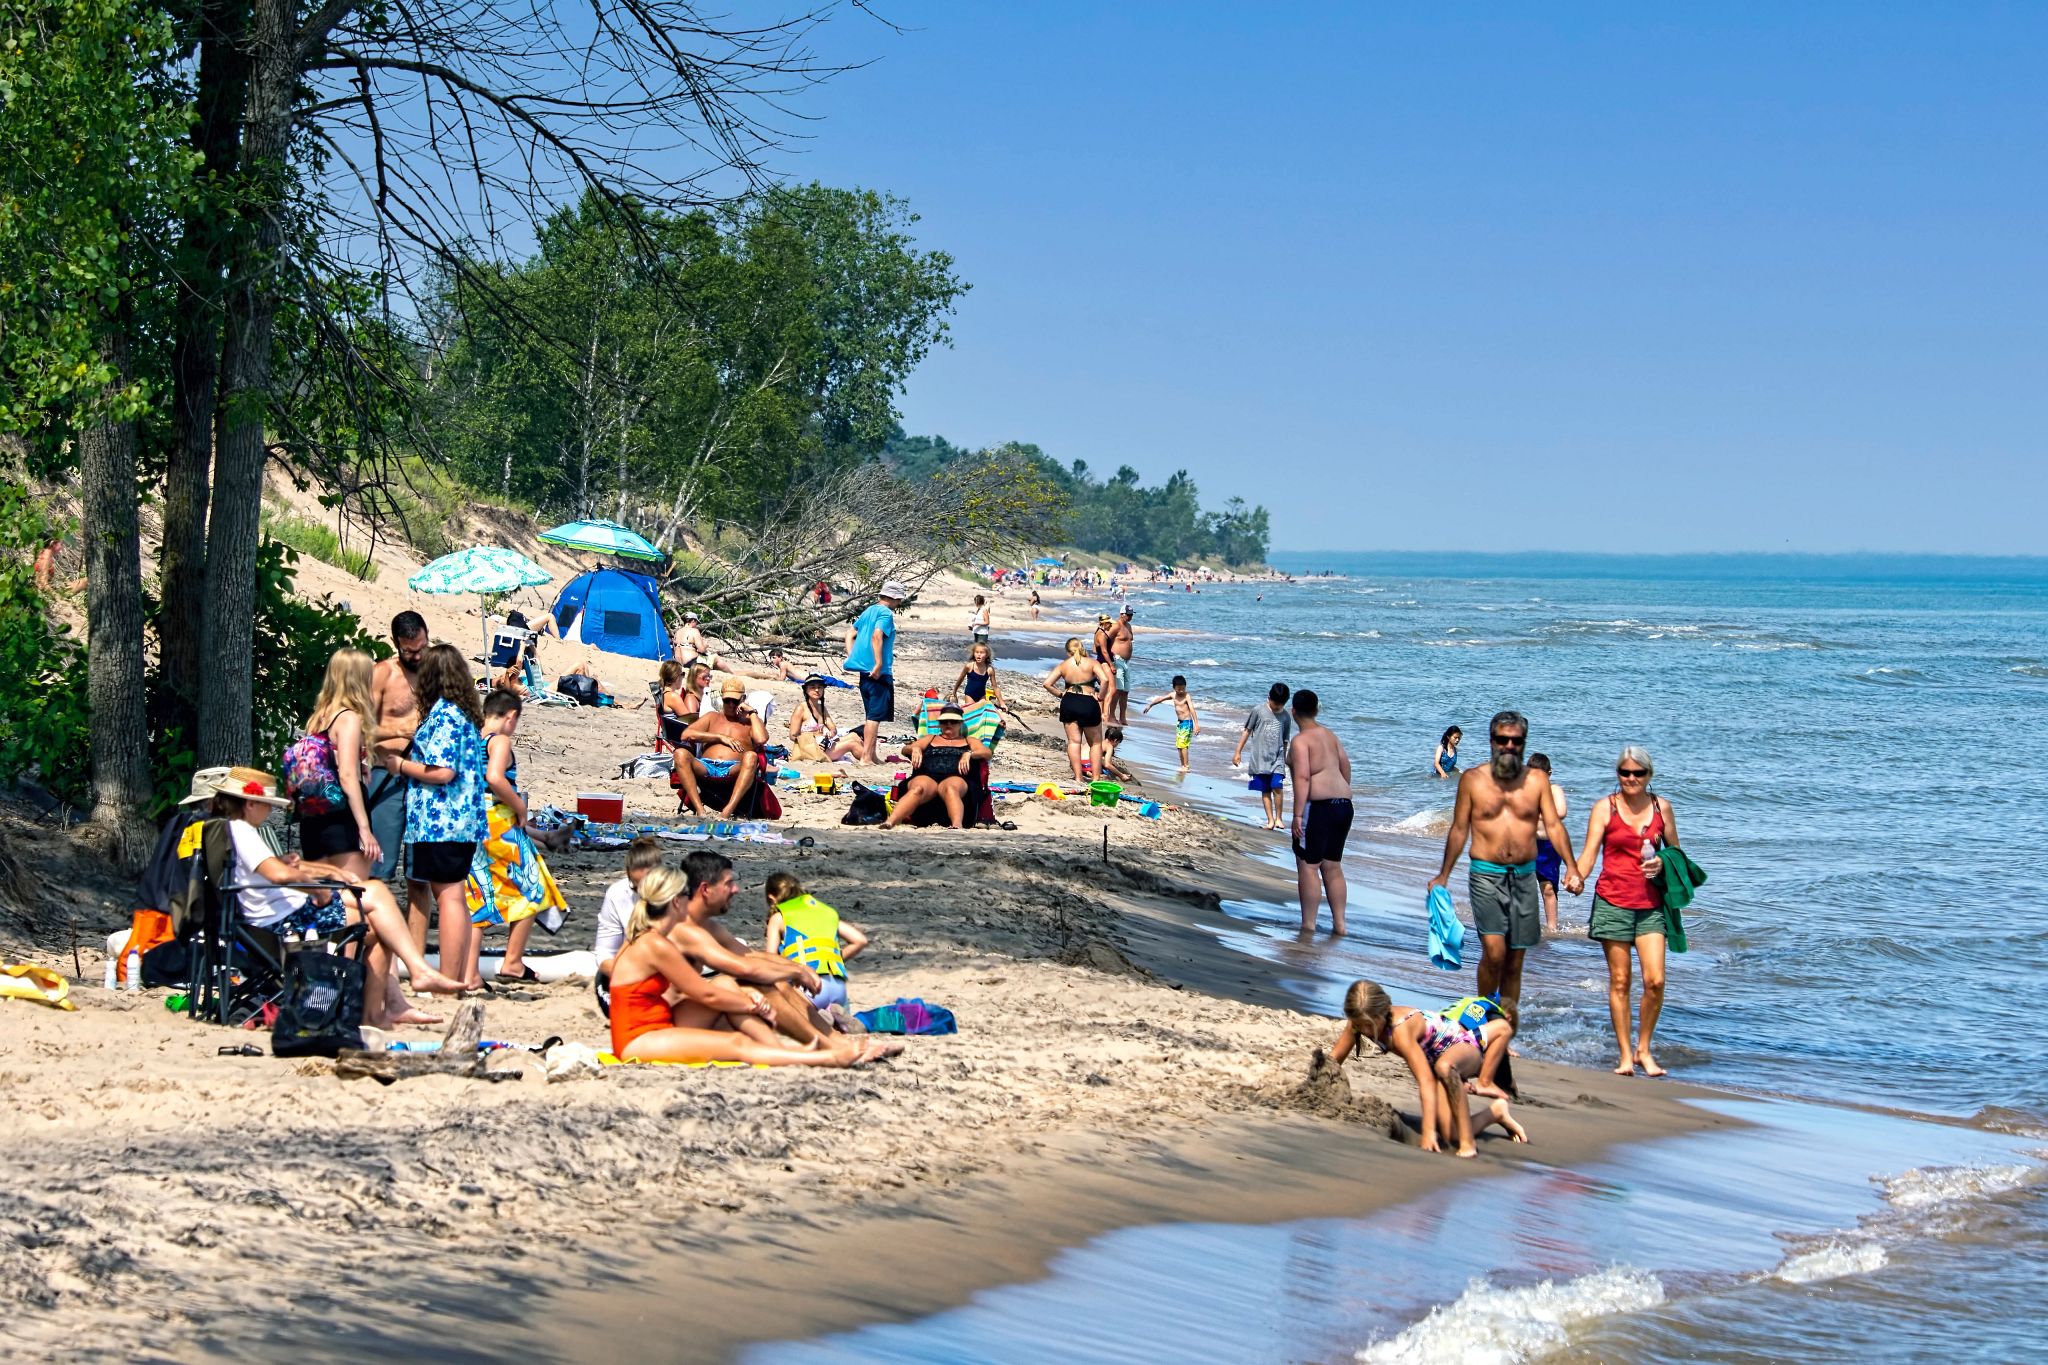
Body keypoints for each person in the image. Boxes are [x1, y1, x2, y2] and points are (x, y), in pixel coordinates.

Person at [199, 767, 463, 1022]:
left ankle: (382, 1011)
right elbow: (277, 875)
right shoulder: (241, 830)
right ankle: (415, 973)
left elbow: (279, 867)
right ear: (250, 804)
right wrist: (315, 886)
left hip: (273, 918)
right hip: (284, 922)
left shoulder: (228, 831)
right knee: (377, 892)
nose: (269, 811)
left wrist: (318, 871)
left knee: (378, 926)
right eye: (267, 804)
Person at [608, 866, 893, 1067]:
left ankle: (796, 1048)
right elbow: (705, 992)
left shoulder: (654, 935)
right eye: (686, 895)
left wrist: (752, 995)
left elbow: (747, 960)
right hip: (638, 1038)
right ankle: (824, 1057)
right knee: (737, 1043)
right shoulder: (654, 943)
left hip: (660, 1021)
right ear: (675, 902)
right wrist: (752, 1003)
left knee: (734, 989)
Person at [1427, 710, 1582, 1019]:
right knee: (1495, 952)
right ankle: (1485, 1014)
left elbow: (1553, 826)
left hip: (1524, 876)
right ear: (1491, 741)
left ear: (1523, 743)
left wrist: (1573, 867)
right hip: (1486, 873)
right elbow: (1459, 829)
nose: (1509, 746)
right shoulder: (1473, 779)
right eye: (1502, 740)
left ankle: (1503, 1027)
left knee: (1515, 959)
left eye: (1516, 741)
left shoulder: (1536, 781)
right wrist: (1443, 874)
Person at [383, 643, 490, 993]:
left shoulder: (444, 716)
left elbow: (442, 771)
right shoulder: (463, 714)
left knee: (448, 898)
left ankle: (447, 976)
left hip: (442, 820)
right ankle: (454, 975)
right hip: (459, 821)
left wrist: (401, 765)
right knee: (453, 896)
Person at [1570, 746, 1681, 1077]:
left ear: (1649, 775)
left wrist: (1664, 861)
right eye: (1625, 773)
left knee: (1655, 981)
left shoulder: (1662, 808)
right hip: (1612, 901)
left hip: (1651, 907)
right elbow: (1590, 853)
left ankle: (1644, 1049)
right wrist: (1577, 876)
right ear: (1618, 774)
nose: (1631, 779)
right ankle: (1624, 1056)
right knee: (1620, 981)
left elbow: (1677, 852)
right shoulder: (1605, 808)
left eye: (1638, 773)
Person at [1327, 981, 1527, 1158]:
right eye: (1361, 1026)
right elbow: (1334, 1060)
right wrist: (1317, 1086)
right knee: (1451, 1134)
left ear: (1384, 1011)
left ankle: (1469, 1145)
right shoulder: (1358, 1023)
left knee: (1444, 1066)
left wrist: (1429, 1131)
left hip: (1464, 1047)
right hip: (1436, 1064)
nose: (1367, 1031)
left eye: (1371, 1025)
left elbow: (1425, 1081)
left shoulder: (1400, 1029)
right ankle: (1496, 1112)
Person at [466, 689, 568, 984]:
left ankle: (470, 971)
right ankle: (512, 962)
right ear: (510, 717)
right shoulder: (499, 741)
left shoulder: (472, 738)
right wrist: (519, 806)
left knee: (480, 898)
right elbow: (495, 777)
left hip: (472, 821)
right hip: (497, 819)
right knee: (534, 888)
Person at [368, 612, 432, 939]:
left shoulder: (435, 672)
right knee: (379, 868)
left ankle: (414, 951)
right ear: (396, 645)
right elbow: (357, 725)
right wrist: (400, 730)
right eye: (410, 651)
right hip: (386, 776)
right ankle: (379, 944)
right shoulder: (382, 674)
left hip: (425, 781)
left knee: (420, 874)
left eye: (422, 647)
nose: (417, 656)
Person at [296, 647, 381, 877]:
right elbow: (346, 775)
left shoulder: (318, 717)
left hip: (314, 817)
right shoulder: (348, 719)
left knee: (327, 894)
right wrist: (364, 828)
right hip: (342, 818)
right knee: (353, 893)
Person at [1286, 689, 1354, 935]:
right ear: (1316, 710)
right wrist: (1342, 791)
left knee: (1308, 865)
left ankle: (1309, 924)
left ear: (1293, 712)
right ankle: (1341, 925)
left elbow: (1302, 777)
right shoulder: (1330, 735)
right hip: (1343, 806)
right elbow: (1346, 767)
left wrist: (1297, 815)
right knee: (1333, 866)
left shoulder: (1301, 741)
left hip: (1318, 807)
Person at [763, 871, 868, 1016]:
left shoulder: (779, 918)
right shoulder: (825, 911)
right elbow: (860, 940)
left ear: (772, 898)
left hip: (808, 988)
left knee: (778, 1002)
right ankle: (834, 1016)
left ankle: (818, 1018)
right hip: (838, 988)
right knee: (839, 1012)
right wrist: (832, 958)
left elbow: (770, 960)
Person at [883, 703, 990, 829]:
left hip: (959, 778)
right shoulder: (930, 738)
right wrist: (915, 748)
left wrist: (969, 754)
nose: (948, 724)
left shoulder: (969, 741)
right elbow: (905, 749)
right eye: (945, 721)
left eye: (953, 721)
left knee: (951, 787)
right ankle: (890, 822)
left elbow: (987, 753)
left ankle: (956, 825)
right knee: (918, 788)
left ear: (960, 723)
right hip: (928, 776)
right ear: (940, 723)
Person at [675, 676, 767, 817]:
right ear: (721, 699)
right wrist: (719, 737)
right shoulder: (712, 717)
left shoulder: (750, 722)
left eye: (735, 701)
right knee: (680, 754)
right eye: (727, 700)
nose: (731, 704)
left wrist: (753, 713)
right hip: (705, 766)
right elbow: (686, 734)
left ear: (743, 700)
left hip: (734, 768)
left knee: (751, 756)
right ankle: (700, 810)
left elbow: (761, 739)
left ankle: (727, 811)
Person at [840, 581, 905, 764]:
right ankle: (866, 757)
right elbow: (877, 636)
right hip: (879, 673)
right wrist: (878, 664)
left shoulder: (869, 610)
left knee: (871, 715)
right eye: (899, 599)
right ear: (893, 598)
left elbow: (850, 633)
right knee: (875, 717)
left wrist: (851, 656)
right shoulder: (885, 613)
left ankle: (872, 755)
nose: (899, 602)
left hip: (863, 672)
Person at [593, 835, 668, 975]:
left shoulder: (675, 895)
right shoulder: (617, 893)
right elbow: (605, 952)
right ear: (628, 876)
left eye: (650, 885)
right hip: (628, 970)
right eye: (637, 887)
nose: (644, 892)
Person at [1042, 637, 1111, 785]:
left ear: (1068, 652)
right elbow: (1105, 680)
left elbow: (1047, 684)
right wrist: (1100, 696)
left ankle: (1078, 777)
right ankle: (1096, 779)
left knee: (1074, 742)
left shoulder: (1064, 665)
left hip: (1069, 702)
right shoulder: (1092, 663)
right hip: (1088, 703)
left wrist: (1060, 694)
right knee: (1095, 744)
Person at [1232, 683, 1294, 831]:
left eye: (1281, 704)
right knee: (1265, 790)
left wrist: (1285, 759)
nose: (1278, 706)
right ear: (1269, 698)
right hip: (1259, 758)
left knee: (1277, 786)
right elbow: (1247, 731)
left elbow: (1285, 739)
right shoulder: (1258, 711)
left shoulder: (1286, 716)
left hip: (1277, 758)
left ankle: (1279, 818)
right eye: (1275, 703)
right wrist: (1237, 752)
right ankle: (1270, 820)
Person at [1528, 753, 1570, 933]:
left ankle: (1552, 928)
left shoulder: (1554, 790)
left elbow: (1560, 812)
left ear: (1549, 773)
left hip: (1548, 847)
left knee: (1548, 888)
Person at [1141, 675, 1200, 774]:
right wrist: (1150, 705)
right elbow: (1161, 699)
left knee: (1183, 745)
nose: (1181, 691)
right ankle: (1182, 765)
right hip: (1180, 723)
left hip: (1187, 723)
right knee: (1179, 745)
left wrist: (1196, 724)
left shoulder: (1187, 696)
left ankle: (1186, 766)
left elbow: (1192, 710)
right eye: (1179, 689)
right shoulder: (1173, 695)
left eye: (1183, 689)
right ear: (1174, 688)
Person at [951, 641, 1001, 709]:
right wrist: (954, 692)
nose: (979, 654)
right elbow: (960, 680)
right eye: (977, 652)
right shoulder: (969, 666)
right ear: (974, 654)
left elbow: (995, 687)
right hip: (970, 695)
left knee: (982, 712)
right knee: (971, 710)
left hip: (982, 695)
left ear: (986, 655)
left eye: (982, 652)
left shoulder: (989, 670)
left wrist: (1002, 703)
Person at [1108, 605, 1136, 726]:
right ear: (1121, 614)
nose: (1130, 617)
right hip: (1117, 660)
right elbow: (1105, 640)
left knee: (1125, 691)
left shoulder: (1128, 626)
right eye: (1128, 614)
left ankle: (1122, 717)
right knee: (1117, 690)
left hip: (1126, 662)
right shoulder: (1116, 626)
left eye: (1131, 615)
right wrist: (1109, 660)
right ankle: (1111, 715)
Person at [655, 660, 690, 750]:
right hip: (678, 741)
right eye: (682, 674)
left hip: (669, 737)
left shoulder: (662, 694)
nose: (683, 678)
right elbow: (689, 720)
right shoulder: (673, 696)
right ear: (676, 677)